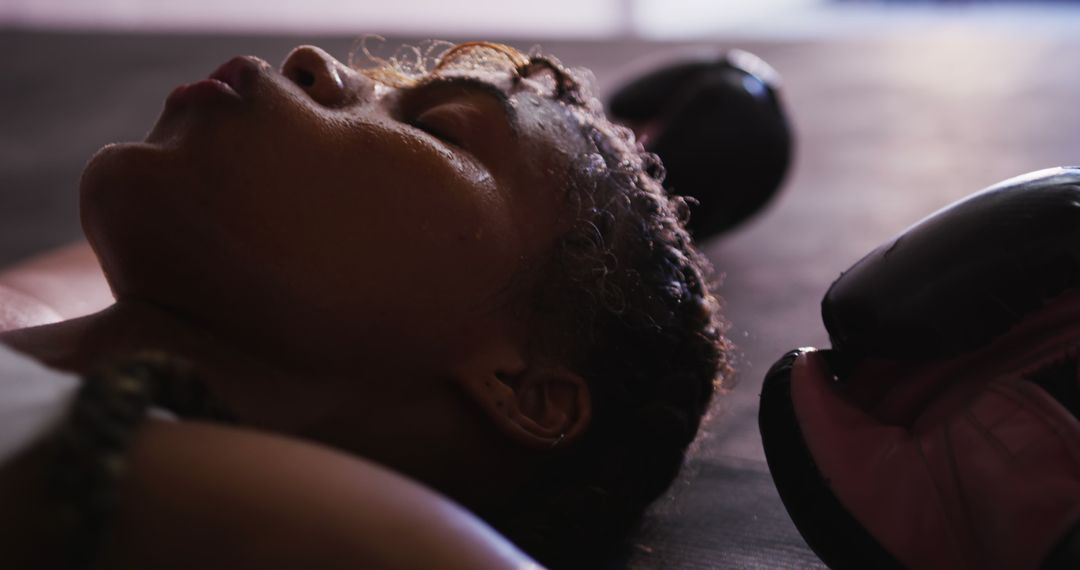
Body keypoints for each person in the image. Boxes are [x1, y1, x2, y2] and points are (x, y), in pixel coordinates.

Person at [0, 41, 728, 569]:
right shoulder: (24, 325)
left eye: (436, 128)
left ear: (523, 389)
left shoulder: (330, 525)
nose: (314, 61)